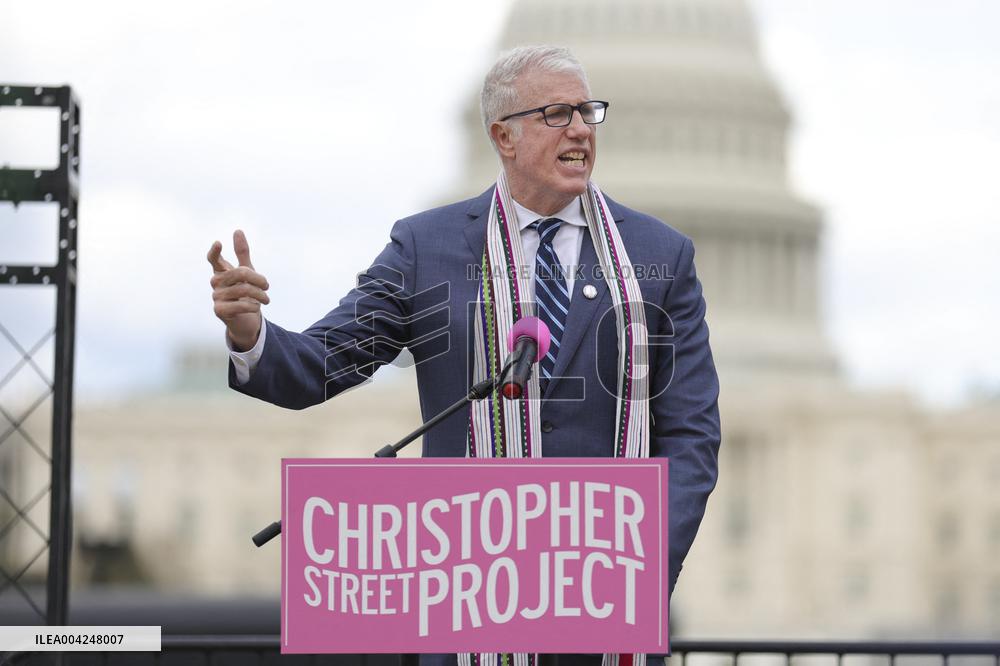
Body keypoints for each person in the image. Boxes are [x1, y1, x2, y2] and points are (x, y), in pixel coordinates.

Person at [208, 45, 720, 666]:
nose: (582, 129)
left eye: (588, 112)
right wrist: (249, 333)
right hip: (470, 613)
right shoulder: (428, 248)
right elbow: (325, 361)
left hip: (606, 616)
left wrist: (634, 573)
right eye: (558, 113)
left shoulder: (660, 257)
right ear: (504, 136)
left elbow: (690, 436)